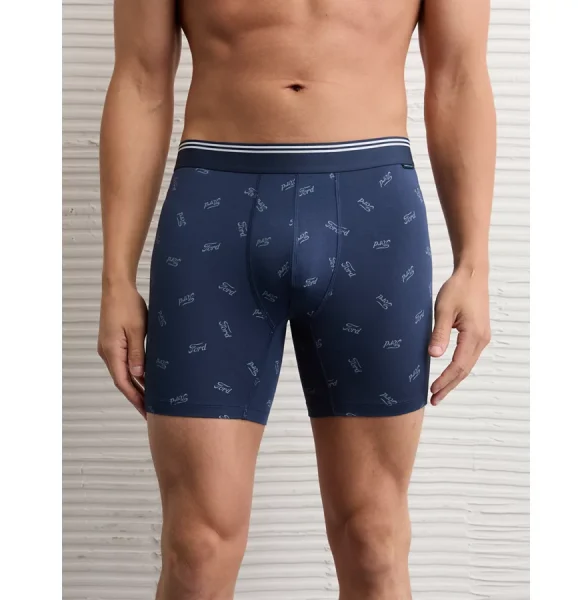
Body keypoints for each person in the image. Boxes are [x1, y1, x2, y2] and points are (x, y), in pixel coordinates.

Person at [97, 0, 494, 598]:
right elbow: (139, 80)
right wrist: (115, 279)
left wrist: (474, 263)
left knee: (374, 538)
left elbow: (459, 76)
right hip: (213, 214)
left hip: (374, 217)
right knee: (196, 546)